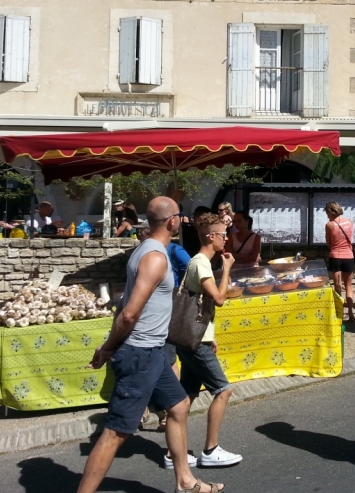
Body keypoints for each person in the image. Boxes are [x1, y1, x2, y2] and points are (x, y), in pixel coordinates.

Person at [77, 196, 225, 493]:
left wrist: (109, 345)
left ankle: (185, 481)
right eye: (179, 216)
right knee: (116, 432)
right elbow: (129, 313)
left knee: (179, 405)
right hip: (139, 352)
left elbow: (126, 304)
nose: (181, 220)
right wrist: (109, 347)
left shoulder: (145, 249)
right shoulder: (155, 257)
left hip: (153, 351)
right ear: (171, 221)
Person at [171, 213, 243, 469]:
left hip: (194, 338)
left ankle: (172, 453)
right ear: (211, 236)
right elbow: (219, 298)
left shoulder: (198, 262)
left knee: (187, 396)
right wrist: (227, 269)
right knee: (223, 390)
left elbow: (200, 304)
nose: (226, 239)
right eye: (223, 234)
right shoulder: (201, 263)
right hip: (195, 342)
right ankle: (211, 450)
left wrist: (210, 336)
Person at [324, 201, 355, 322]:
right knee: (348, 286)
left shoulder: (329, 225)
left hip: (336, 256)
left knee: (338, 286)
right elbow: (350, 239)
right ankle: (350, 312)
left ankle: (340, 313)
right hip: (349, 256)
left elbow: (329, 243)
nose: (327, 216)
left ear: (332, 212)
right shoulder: (350, 222)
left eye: (327, 213)